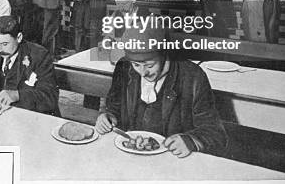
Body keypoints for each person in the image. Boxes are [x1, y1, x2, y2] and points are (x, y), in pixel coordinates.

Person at [95, 24, 228, 158]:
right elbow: (114, 108)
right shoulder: (124, 67)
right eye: (136, 65)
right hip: (130, 156)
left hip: (174, 161)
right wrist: (108, 117)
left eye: (150, 65)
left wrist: (191, 141)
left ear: (164, 54)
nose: (143, 73)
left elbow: (216, 133)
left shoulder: (192, 76)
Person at [0, 16, 59, 114]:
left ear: (19, 37)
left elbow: (50, 97)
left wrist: (17, 95)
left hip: (30, 116)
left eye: (5, 44)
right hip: (0, 114)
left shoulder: (39, 55)